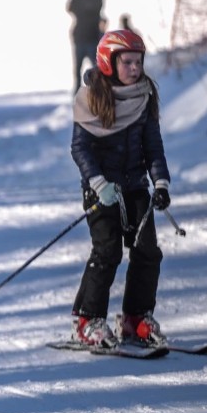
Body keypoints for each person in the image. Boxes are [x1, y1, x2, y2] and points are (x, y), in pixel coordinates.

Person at [69, 30, 171, 348]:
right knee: (108, 251)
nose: (134, 68)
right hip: (102, 190)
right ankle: (88, 320)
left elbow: (153, 146)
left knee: (147, 251)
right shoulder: (92, 98)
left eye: (138, 62)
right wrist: (98, 183)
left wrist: (161, 182)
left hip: (135, 186)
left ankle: (135, 318)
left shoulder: (144, 96)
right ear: (109, 62)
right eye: (127, 62)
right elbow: (80, 148)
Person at [67, 0, 106, 94]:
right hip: (80, 37)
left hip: (93, 37)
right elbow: (69, 7)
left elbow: (95, 5)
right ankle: (77, 96)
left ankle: (99, 95)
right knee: (77, 71)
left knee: (97, 69)